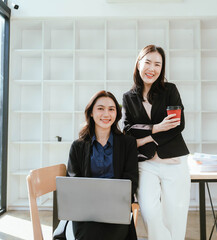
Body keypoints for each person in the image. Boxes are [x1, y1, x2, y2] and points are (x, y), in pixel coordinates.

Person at [122, 45, 191, 240]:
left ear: (162, 68)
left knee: (175, 216)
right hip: (145, 162)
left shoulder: (170, 90)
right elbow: (128, 131)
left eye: (158, 64)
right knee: (150, 213)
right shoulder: (128, 97)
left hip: (174, 160)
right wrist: (156, 128)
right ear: (138, 64)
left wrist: (146, 136)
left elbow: (177, 124)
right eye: (148, 62)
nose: (152, 68)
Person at [66, 90, 138, 240]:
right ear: (91, 113)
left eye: (111, 109)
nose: (106, 114)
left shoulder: (128, 143)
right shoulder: (77, 146)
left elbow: (131, 179)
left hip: (116, 210)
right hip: (86, 213)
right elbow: (74, 182)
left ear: (116, 114)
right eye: (100, 108)